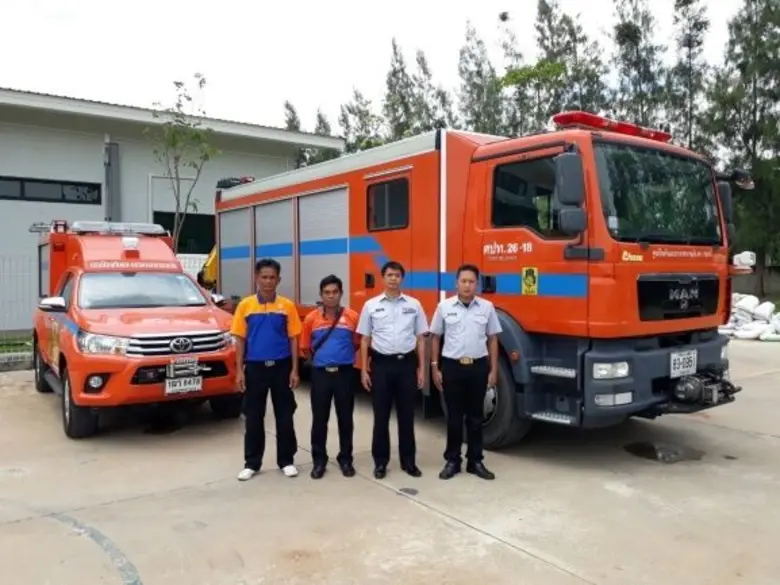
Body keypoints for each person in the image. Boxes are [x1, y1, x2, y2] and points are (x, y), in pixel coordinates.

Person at [429, 264, 502, 481]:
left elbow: (493, 339)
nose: (467, 285)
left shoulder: (487, 307)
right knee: (453, 417)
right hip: (452, 366)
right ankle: (453, 460)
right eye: (463, 281)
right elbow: (435, 337)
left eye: (471, 281)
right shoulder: (444, 307)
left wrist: (494, 370)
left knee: (476, 417)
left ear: (477, 284)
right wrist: (435, 367)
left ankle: (475, 461)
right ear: (456, 283)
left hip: (478, 367)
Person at [231, 258, 302, 481]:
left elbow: (293, 340)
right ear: (256, 278)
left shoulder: (287, 306)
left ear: (278, 280)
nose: (268, 281)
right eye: (264, 277)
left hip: (281, 367)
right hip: (254, 368)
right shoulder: (245, 306)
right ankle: (252, 463)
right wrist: (239, 371)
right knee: (254, 417)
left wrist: (294, 370)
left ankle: (287, 461)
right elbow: (239, 340)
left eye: (272, 277)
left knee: (284, 416)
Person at [357, 260, 428, 479]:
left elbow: (421, 339)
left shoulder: (414, 305)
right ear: (383, 277)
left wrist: (422, 369)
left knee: (407, 416)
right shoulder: (371, 305)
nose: (393, 279)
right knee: (381, 417)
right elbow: (364, 340)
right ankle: (380, 462)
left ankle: (409, 462)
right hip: (381, 365)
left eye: (397, 275)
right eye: (389, 275)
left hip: (406, 364)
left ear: (402, 278)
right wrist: (363, 370)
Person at [300, 274, 359, 479]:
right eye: (327, 292)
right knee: (319, 419)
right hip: (320, 375)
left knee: (345, 419)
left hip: (344, 374)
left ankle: (346, 459)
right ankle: (319, 460)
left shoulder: (352, 316)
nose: (331, 296)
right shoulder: (311, 319)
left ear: (341, 294)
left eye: (335, 292)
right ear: (321, 295)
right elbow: (306, 348)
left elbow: (357, 343)